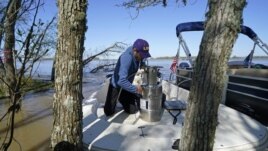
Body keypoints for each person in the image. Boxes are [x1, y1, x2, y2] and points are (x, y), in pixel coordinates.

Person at [104, 38, 151, 116]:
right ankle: (118, 98)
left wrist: (144, 66)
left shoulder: (138, 55)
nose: (143, 57)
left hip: (127, 84)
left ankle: (123, 98)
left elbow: (142, 61)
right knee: (108, 112)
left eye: (144, 55)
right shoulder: (126, 58)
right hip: (117, 85)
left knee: (132, 110)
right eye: (142, 55)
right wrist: (136, 89)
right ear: (135, 50)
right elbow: (121, 81)